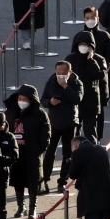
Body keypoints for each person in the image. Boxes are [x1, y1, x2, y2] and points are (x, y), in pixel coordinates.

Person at [4, 84, 48, 218]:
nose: (21, 101)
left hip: (32, 153)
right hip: (16, 152)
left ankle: (32, 208)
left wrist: (38, 150)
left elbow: (46, 134)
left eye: (25, 99)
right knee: (18, 180)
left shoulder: (39, 114)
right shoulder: (11, 112)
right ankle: (20, 206)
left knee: (33, 181)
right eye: (20, 98)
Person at [42, 61, 84, 192]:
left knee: (67, 153)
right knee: (49, 152)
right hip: (53, 122)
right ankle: (45, 180)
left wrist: (66, 86)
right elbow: (43, 100)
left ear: (69, 73)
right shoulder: (51, 82)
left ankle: (63, 181)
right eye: (58, 73)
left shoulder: (76, 83)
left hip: (69, 123)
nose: (60, 76)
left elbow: (77, 99)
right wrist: (50, 102)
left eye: (63, 73)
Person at [66, 31, 109, 142]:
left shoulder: (99, 60)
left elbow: (100, 75)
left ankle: (92, 155)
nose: (83, 47)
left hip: (91, 101)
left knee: (90, 132)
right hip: (75, 99)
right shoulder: (70, 59)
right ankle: (73, 156)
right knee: (74, 133)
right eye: (81, 44)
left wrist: (91, 61)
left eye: (86, 45)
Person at [82, 6, 110, 109]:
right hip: (85, 76)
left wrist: (105, 68)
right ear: (84, 19)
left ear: (98, 19)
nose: (90, 20)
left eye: (92, 17)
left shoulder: (105, 36)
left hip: (101, 75)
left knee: (100, 108)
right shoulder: (80, 36)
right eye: (87, 18)